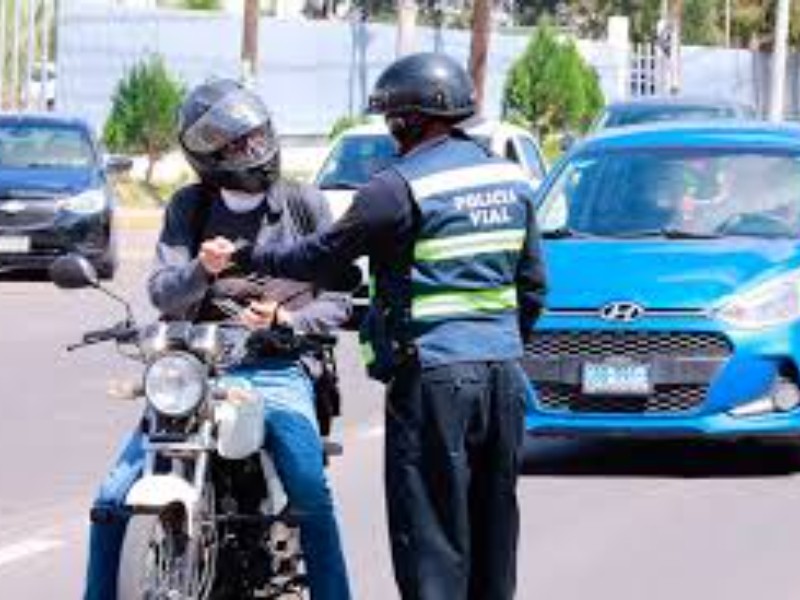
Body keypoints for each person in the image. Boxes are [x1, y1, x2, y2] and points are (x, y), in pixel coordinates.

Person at [237, 52, 547, 599]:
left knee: (430, 540)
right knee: (493, 533)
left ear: (409, 119)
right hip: (502, 377)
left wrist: (254, 255)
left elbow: (320, 258)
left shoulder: (396, 188)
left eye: (391, 119)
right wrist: (495, 342)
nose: (388, 131)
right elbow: (533, 288)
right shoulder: (513, 179)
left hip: (433, 381)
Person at [83, 78, 352, 600]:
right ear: (209, 156)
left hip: (276, 368)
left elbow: (337, 300)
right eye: (238, 145)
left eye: (256, 137)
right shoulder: (189, 208)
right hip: (195, 368)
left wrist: (286, 321)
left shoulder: (304, 205)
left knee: (310, 493)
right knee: (112, 498)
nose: (254, 150)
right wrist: (201, 272)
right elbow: (164, 292)